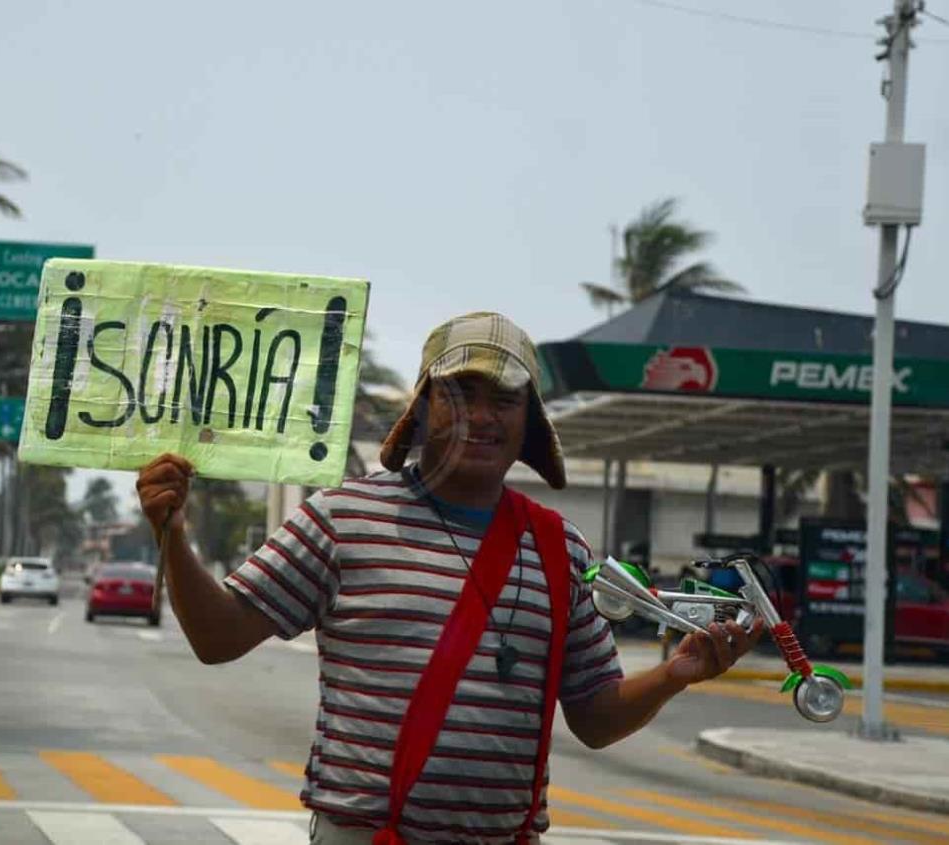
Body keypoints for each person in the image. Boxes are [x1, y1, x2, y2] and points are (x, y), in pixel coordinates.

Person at [136, 312, 763, 845]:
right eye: (459, 393)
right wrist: (174, 534)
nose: (481, 417)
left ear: (529, 423)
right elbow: (217, 639)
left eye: (505, 398)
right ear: (421, 408)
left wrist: (674, 676)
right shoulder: (341, 518)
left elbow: (596, 720)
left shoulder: (560, 548)